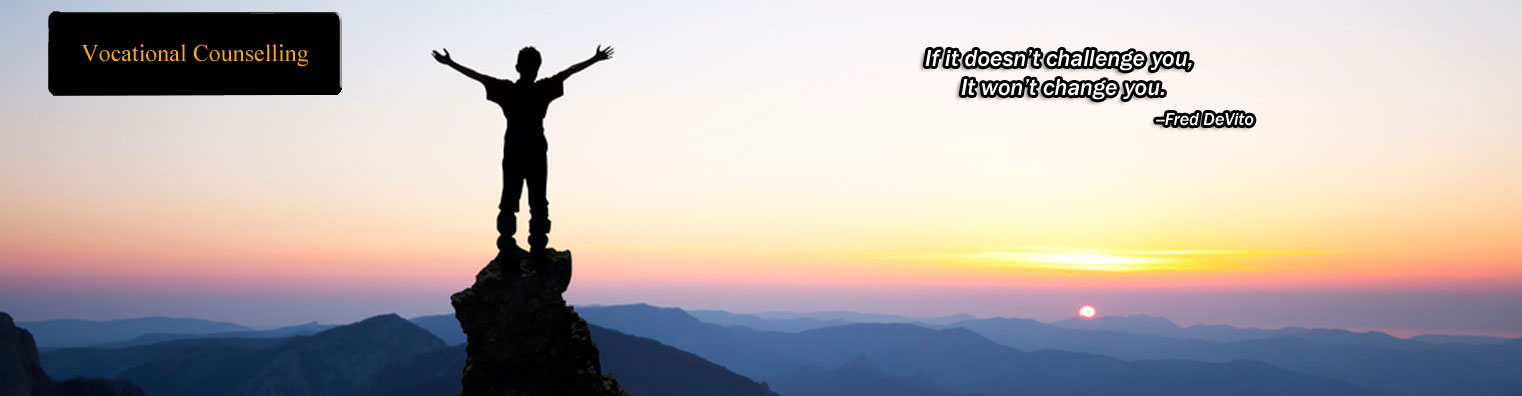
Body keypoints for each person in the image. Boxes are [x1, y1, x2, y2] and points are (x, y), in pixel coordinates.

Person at [433, 45, 614, 257]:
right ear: (537, 68)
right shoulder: (542, 89)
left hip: (515, 152)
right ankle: (536, 245)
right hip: (535, 151)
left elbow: (478, 77)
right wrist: (594, 59)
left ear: (517, 66)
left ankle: (510, 243)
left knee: (512, 199)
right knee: (536, 200)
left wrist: (451, 63)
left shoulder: (508, 90)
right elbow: (569, 72)